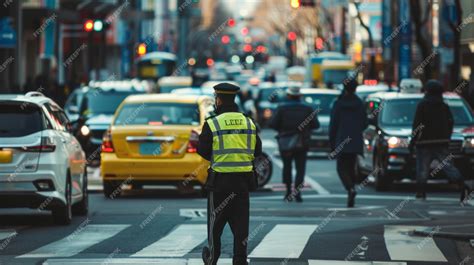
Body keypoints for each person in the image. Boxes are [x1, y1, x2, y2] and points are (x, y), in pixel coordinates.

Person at [198, 82, 262, 265]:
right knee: (241, 225)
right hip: (243, 183)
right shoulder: (248, 121)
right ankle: (240, 260)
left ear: (218, 100)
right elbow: (257, 150)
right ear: (234, 99)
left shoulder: (213, 123)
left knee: (215, 225)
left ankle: (212, 258)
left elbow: (202, 150)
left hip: (219, 183)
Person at [410, 79, 471, 201]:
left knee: (422, 168)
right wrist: (447, 137)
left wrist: (413, 140)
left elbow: (417, 124)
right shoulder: (444, 106)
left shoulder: (423, 105)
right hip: (441, 142)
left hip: (424, 142)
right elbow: (451, 122)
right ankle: (462, 185)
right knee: (448, 166)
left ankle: (421, 192)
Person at [269, 86, 319, 202]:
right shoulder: (307, 108)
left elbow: (272, 124)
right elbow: (316, 125)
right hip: (302, 142)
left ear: (288, 95)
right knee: (300, 168)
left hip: (285, 142)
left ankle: (288, 191)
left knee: (287, 167)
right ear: (299, 96)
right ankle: (298, 193)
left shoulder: (282, 108)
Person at [329, 79, 368, 208]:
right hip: (355, 140)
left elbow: (333, 125)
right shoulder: (359, 103)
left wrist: (332, 144)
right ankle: (351, 191)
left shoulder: (339, 103)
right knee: (351, 167)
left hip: (341, 139)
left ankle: (350, 188)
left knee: (341, 167)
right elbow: (365, 123)